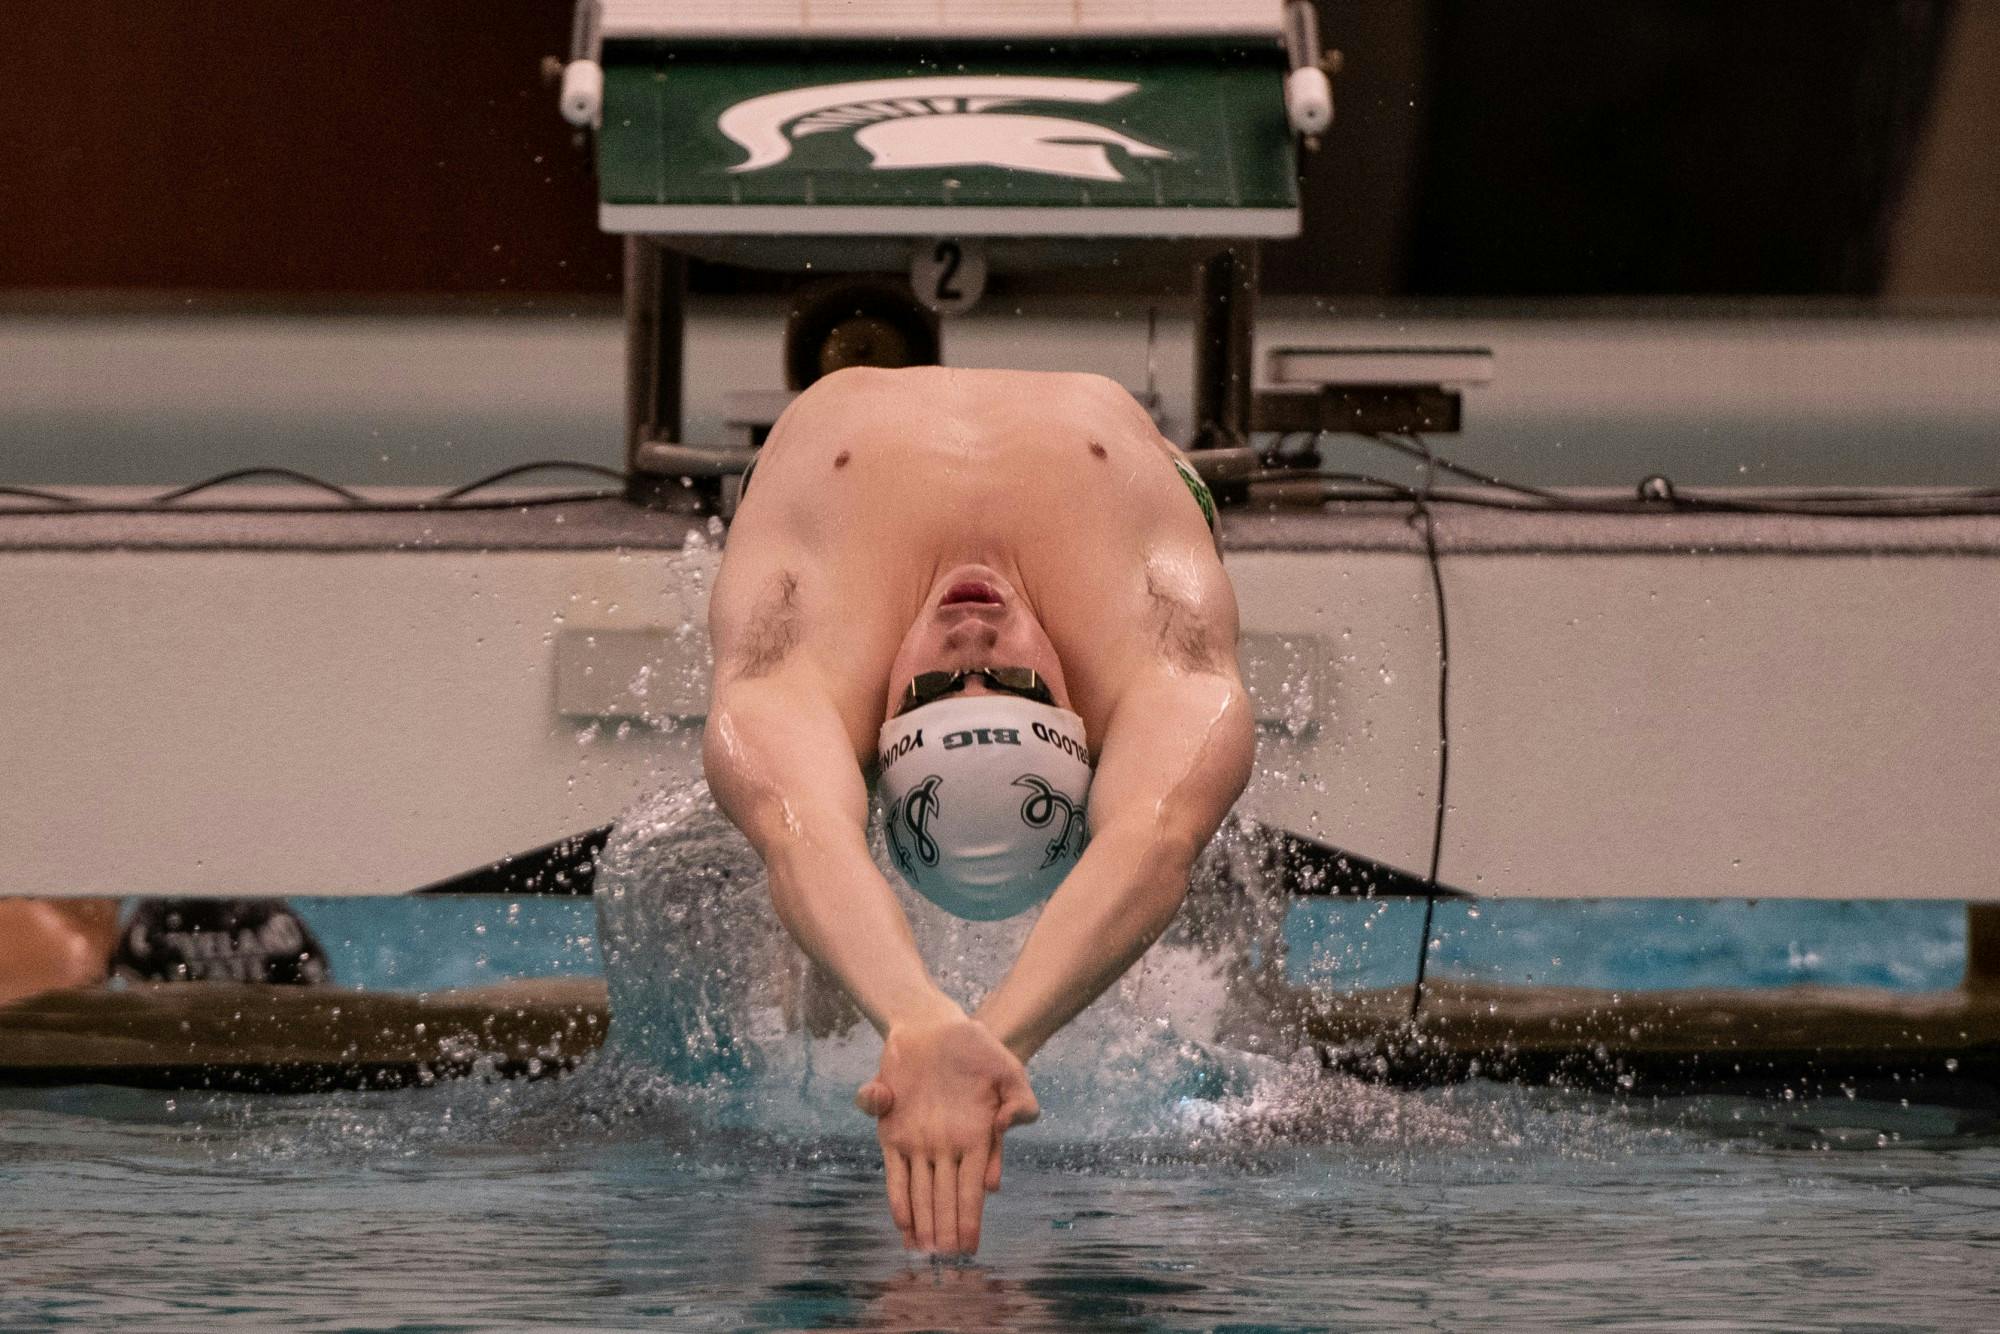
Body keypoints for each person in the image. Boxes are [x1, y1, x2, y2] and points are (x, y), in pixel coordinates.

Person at [703, 366, 1255, 1256]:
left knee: (777, 798)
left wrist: (922, 1025)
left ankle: (838, 997)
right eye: (1014, 683)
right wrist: (991, 1046)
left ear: (878, 728)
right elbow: (1156, 836)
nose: (972, 641)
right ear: (1081, 720)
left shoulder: (811, 655)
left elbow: (799, 831)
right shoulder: (1147, 646)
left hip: (831, 453)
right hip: (1126, 454)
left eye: (931, 689)